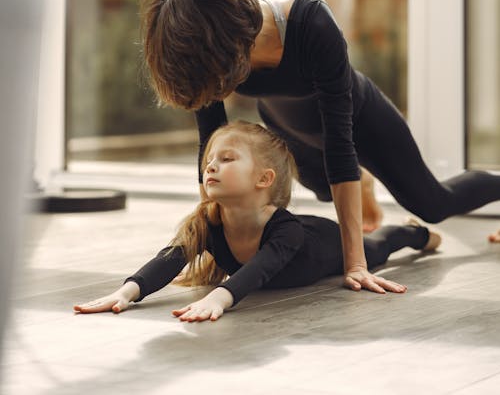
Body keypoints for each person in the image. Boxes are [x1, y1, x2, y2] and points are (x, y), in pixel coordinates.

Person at [138, 0, 500, 293]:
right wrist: (213, 252)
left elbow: (340, 145)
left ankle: (368, 178)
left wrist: (356, 264)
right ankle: (362, 182)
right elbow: (210, 144)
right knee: (325, 190)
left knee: (432, 204)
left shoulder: (309, 21)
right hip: (286, 123)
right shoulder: (205, 54)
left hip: (356, 120)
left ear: (233, 43)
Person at [74, 122, 440, 321]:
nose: (211, 166)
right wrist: (125, 293)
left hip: (324, 244)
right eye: (209, 161)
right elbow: (168, 259)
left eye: (227, 158)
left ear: (263, 179)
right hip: (300, 243)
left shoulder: (287, 229)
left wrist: (220, 299)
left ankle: (413, 232)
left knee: (376, 246)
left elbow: (259, 271)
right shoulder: (209, 221)